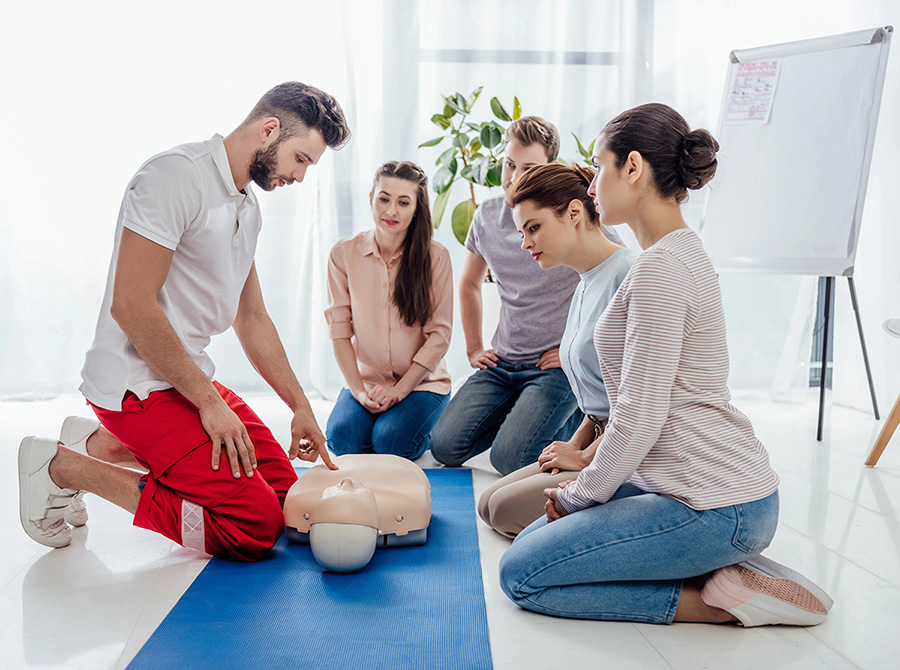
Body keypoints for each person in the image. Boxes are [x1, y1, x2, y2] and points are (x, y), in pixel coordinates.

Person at [498, 103, 833, 626]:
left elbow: (639, 411)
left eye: (600, 166)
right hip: (694, 491)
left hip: (716, 504)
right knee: (535, 541)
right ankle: (727, 572)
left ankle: (720, 604)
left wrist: (580, 494)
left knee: (521, 574)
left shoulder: (658, 269)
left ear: (632, 169)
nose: (591, 186)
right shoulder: (676, 253)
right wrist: (580, 488)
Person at [17, 82, 350, 561]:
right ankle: (61, 467)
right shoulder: (174, 177)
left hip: (184, 377)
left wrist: (299, 405)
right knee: (253, 526)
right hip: (136, 387)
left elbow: (252, 317)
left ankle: (103, 446)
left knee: (284, 496)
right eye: (300, 159)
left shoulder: (246, 207)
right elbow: (131, 306)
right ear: (269, 129)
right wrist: (210, 404)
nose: (299, 176)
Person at [430, 116, 623, 476]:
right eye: (509, 164)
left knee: (510, 460)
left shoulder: (572, 217)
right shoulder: (487, 216)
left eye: (528, 167)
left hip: (553, 368)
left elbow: (616, 283)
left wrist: (574, 354)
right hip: (503, 362)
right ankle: (527, 413)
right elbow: (470, 283)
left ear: (550, 168)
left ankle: (572, 417)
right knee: (443, 445)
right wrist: (474, 348)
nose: (514, 176)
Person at [477, 163, 636, 538]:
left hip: (625, 453)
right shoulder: (584, 281)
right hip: (597, 437)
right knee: (487, 503)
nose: (525, 243)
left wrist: (584, 457)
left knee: (501, 510)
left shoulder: (627, 273)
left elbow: (635, 406)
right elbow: (599, 403)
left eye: (534, 228)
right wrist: (575, 442)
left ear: (575, 213)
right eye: (521, 232)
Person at [324, 161, 452, 460]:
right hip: (367, 381)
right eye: (384, 198)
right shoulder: (344, 254)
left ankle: (431, 420)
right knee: (344, 441)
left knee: (392, 443)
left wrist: (401, 390)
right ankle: (384, 418)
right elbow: (340, 329)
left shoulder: (436, 257)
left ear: (417, 208)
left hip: (421, 383)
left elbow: (439, 336)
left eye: (403, 202)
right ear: (371, 198)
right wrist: (357, 392)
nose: (391, 211)